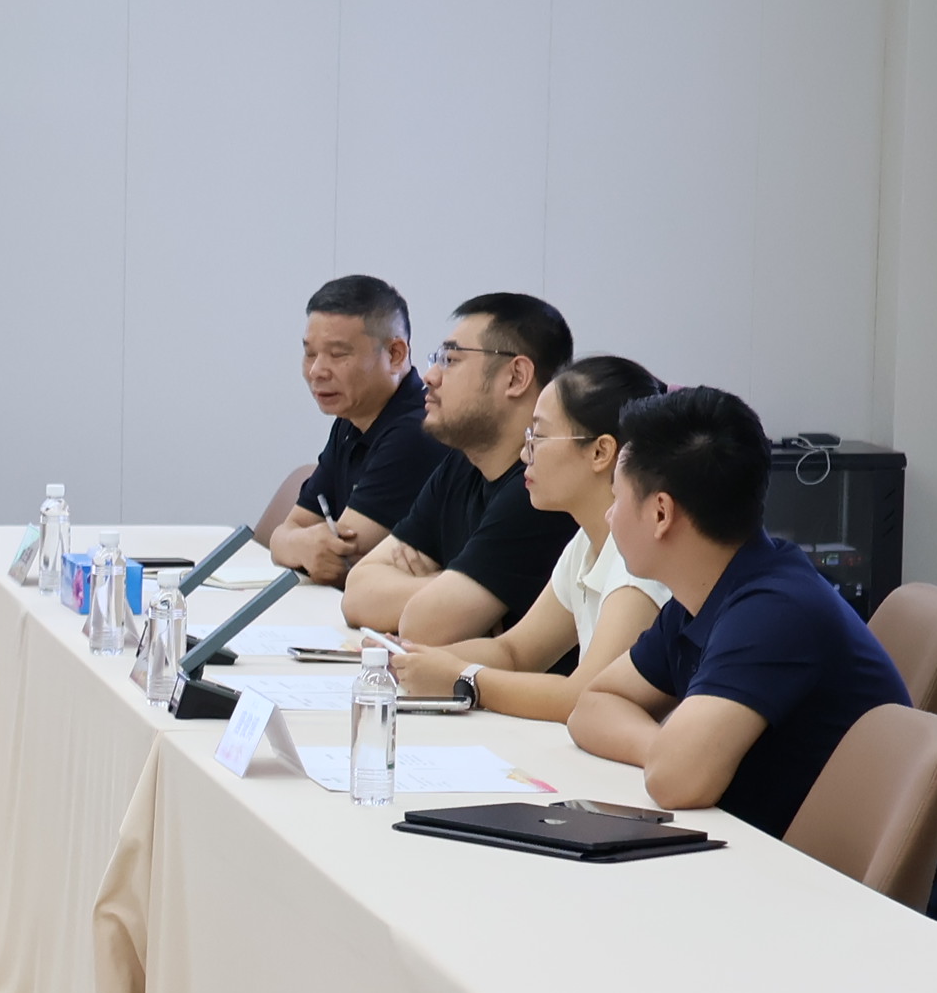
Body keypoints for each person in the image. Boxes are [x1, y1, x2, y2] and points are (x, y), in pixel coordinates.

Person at [568, 385, 913, 838]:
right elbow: (591, 707)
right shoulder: (701, 596)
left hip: (827, 873)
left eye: (617, 499)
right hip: (768, 847)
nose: (610, 516)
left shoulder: (776, 611)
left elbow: (676, 780)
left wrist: (673, 754)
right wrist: (663, 746)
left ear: (661, 513)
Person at [383, 357, 669, 722]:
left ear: (600, 452)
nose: (523, 454)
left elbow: (585, 696)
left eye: (538, 436)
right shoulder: (586, 542)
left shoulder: (637, 560)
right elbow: (516, 651)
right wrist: (411, 660)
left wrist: (463, 678)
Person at [338, 292, 580, 640]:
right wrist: (447, 583)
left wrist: (440, 591)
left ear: (516, 377)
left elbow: (429, 625)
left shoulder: (540, 492)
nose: (430, 376)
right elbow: (358, 593)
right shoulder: (461, 464)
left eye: (450, 360)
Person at [267, 274, 431, 584]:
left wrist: (295, 544)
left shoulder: (418, 430)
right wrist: (295, 543)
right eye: (310, 353)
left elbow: (338, 560)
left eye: (338, 354)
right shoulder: (350, 420)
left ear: (395, 354)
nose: (316, 371)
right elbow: (284, 534)